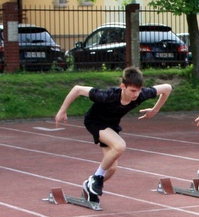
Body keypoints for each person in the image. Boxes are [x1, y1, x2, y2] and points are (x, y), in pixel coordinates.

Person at [55, 67, 172, 205]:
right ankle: (96, 178)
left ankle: (89, 185)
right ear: (123, 86)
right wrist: (62, 111)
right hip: (94, 122)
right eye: (132, 91)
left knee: (111, 168)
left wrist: (154, 110)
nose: (136, 94)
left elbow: (167, 88)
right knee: (120, 146)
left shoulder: (141, 95)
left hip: (111, 126)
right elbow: (77, 89)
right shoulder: (107, 96)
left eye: (139, 90)